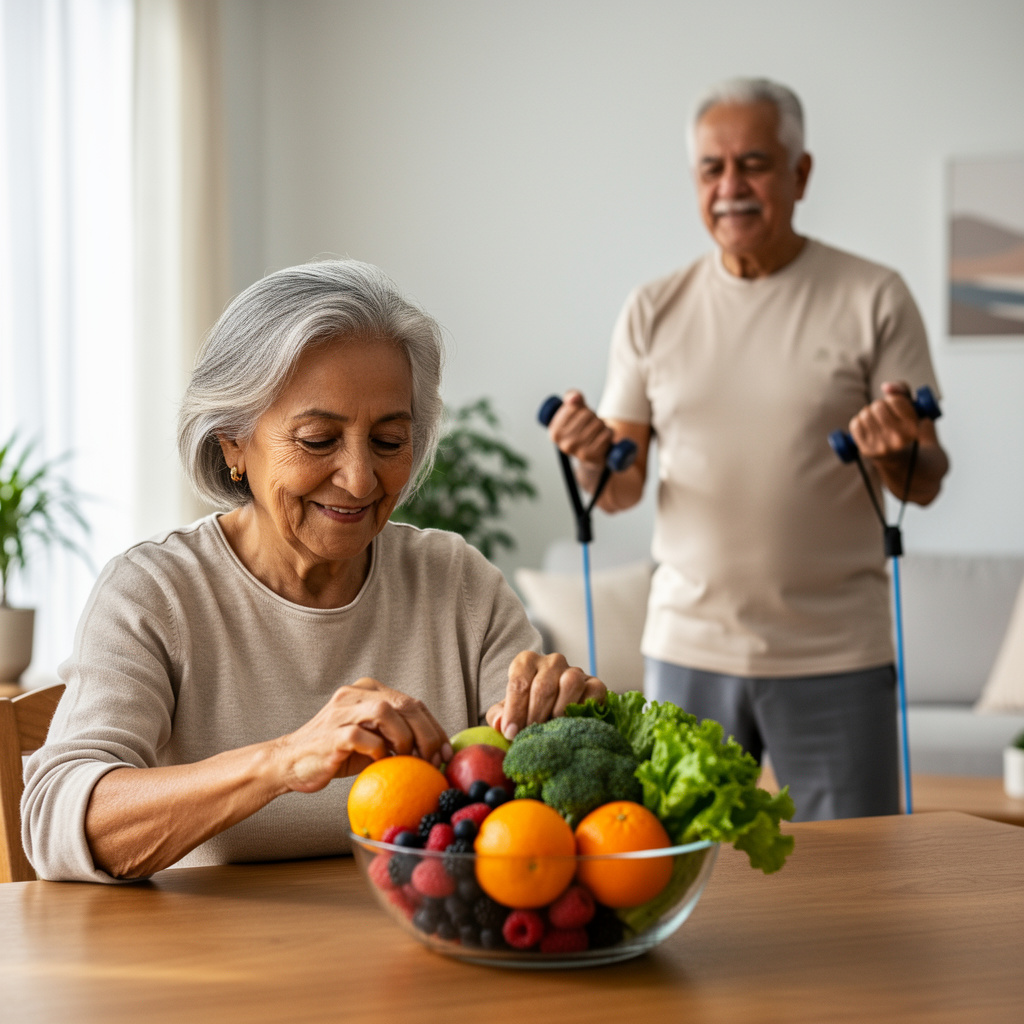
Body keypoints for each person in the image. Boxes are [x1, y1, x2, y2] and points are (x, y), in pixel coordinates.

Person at [23, 259, 604, 882]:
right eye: (318, 440)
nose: (358, 479)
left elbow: (543, 805)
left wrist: (573, 728)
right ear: (233, 443)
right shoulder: (155, 593)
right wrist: (282, 761)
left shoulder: (456, 582)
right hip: (210, 966)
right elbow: (57, 823)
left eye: (388, 442)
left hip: (422, 957)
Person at [547, 77, 949, 821]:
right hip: (688, 648)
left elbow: (925, 480)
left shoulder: (874, 295)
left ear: (800, 174)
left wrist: (895, 449)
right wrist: (586, 453)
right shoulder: (653, 309)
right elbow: (620, 485)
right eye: (712, 167)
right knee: (679, 882)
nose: (730, 186)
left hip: (838, 653)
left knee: (856, 888)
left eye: (754, 164)